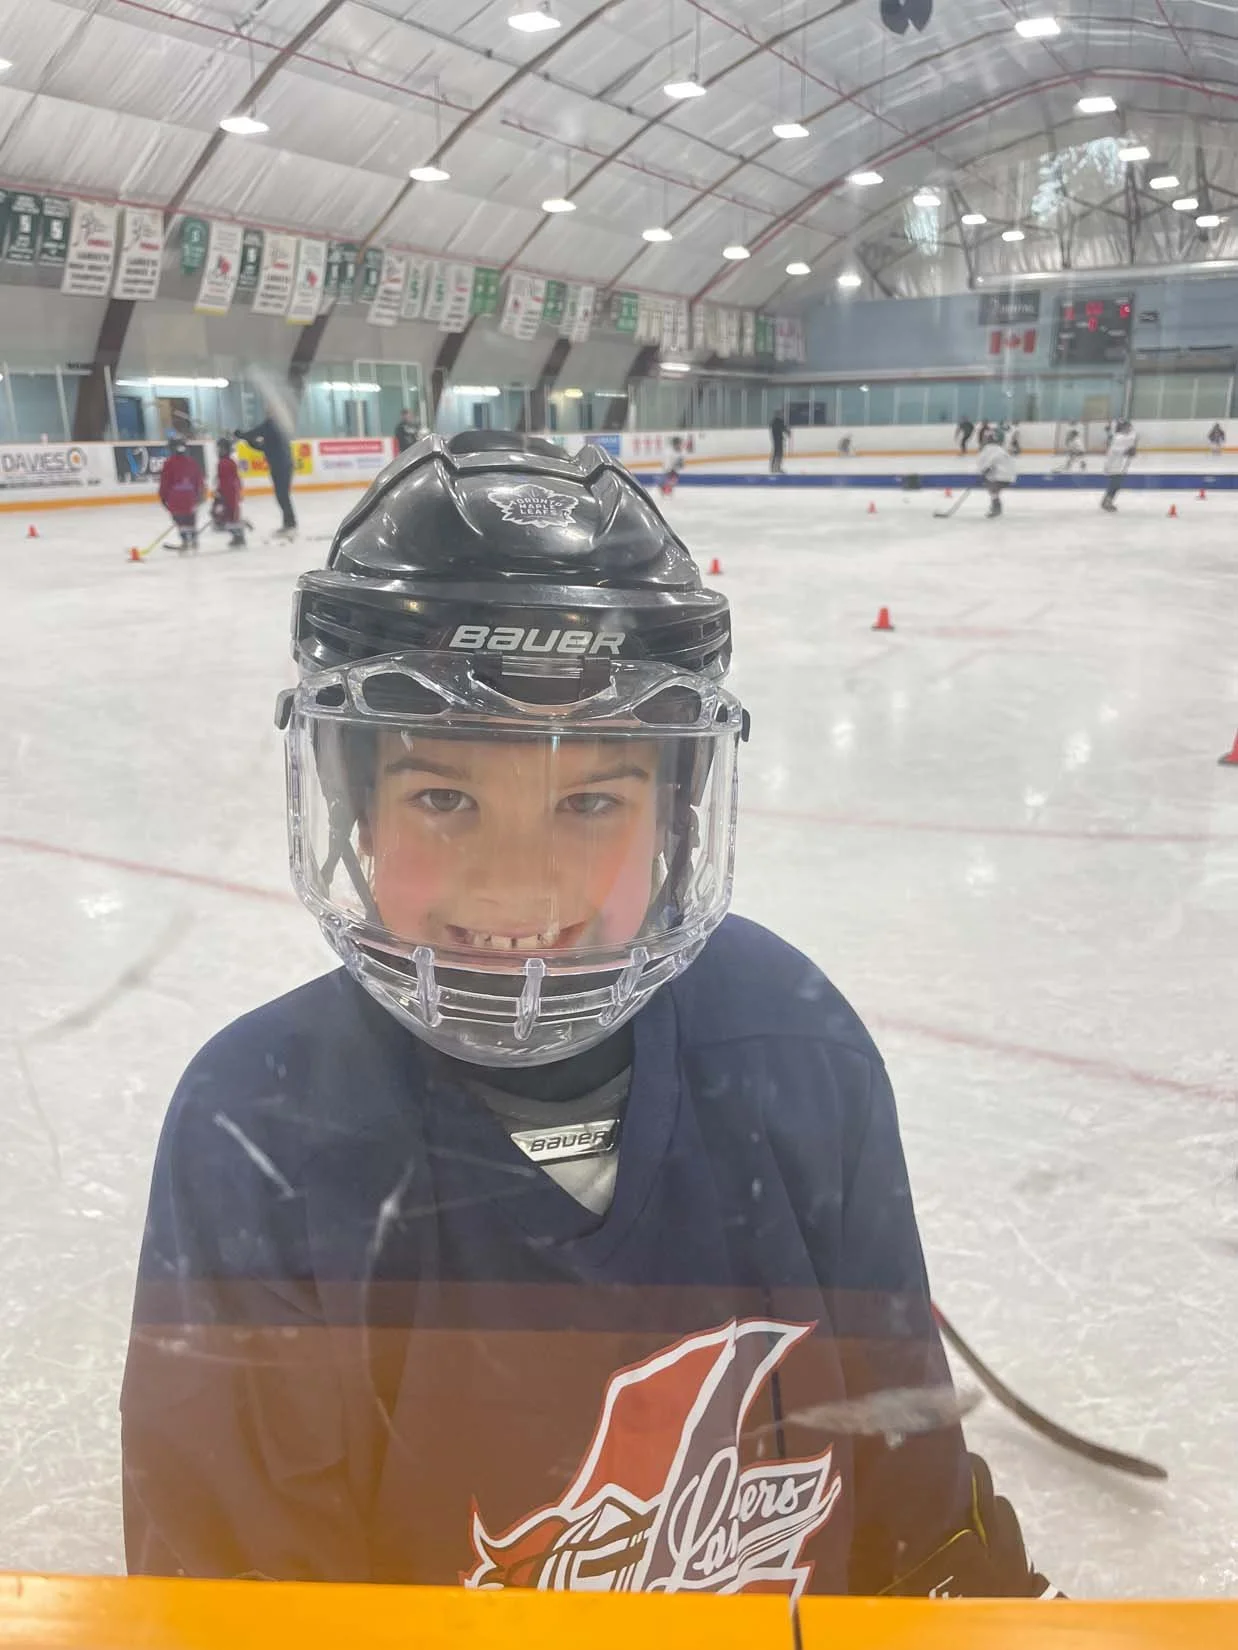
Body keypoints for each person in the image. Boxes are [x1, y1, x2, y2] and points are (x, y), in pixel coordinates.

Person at [121, 431, 1057, 1601]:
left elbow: (911, 1505)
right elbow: (238, 1597)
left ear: (674, 815)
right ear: (355, 808)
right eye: (443, 795)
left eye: (591, 800)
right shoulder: (259, 1129)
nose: (518, 889)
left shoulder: (793, 1049)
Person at [237, 409, 297, 539]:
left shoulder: (272, 425)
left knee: (282, 495)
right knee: (282, 495)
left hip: (282, 466)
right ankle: (289, 523)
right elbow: (262, 446)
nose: (267, 413)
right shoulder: (274, 429)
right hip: (280, 466)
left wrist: (242, 435)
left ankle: (290, 524)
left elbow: (255, 433)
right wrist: (248, 440)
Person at [157, 436, 204, 552]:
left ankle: (185, 541)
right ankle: (193, 539)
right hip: (191, 497)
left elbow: (165, 482)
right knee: (190, 518)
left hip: (176, 498)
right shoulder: (192, 462)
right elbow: (198, 480)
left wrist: (162, 497)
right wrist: (199, 495)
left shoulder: (169, 463)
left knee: (180, 519)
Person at [210, 437, 246, 549]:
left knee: (230, 515)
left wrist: (220, 493)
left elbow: (227, 482)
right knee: (230, 514)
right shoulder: (227, 462)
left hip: (229, 494)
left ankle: (238, 536)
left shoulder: (224, 463)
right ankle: (237, 536)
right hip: (231, 493)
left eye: (221, 448)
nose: (219, 451)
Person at [977, 431, 1017, 517]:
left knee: (992, 488)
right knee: (993, 488)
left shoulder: (988, 449)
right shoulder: (999, 449)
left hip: (999, 476)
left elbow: (988, 462)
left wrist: (984, 470)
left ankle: (996, 507)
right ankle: (995, 506)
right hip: (1009, 476)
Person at [1101, 418, 1137, 512]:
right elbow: (1123, 449)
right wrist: (1130, 450)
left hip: (1117, 465)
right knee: (1115, 484)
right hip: (1113, 465)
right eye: (1127, 426)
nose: (1129, 428)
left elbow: (1130, 441)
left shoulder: (1122, 436)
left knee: (1116, 484)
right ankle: (1107, 501)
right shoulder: (1119, 438)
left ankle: (1106, 501)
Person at [770, 409, 789, 473]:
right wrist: (788, 432)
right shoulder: (779, 421)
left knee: (776, 453)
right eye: (781, 414)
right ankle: (776, 468)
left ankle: (773, 467)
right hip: (778, 440)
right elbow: (783, 428)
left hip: (775, 440)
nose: (782, 415)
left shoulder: (773, 422)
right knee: (779, 454)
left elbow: (782, 428)